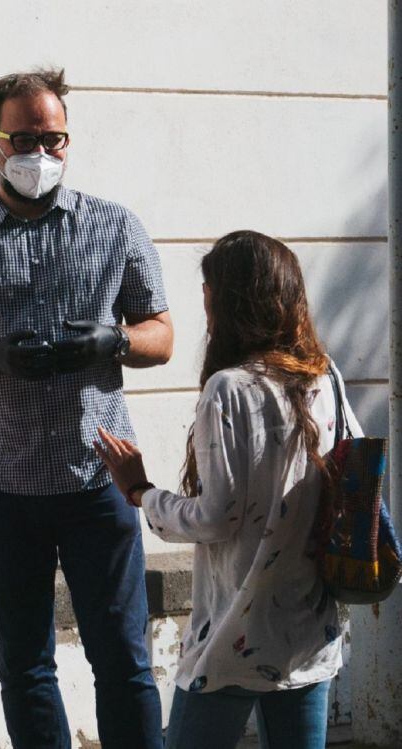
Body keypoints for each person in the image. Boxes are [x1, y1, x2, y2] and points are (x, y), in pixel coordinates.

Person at [0, 67, 172, 748]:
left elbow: (162, 335)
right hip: (0, 484)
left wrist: (117, 340)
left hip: (98, 480)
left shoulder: (115, 227)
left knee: (126, 661)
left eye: (54, 140)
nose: (40, 156)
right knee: (24, 665)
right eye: (23, 140)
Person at [95, 230, 357, 749]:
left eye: (209, 294)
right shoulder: (324, 377)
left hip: (233, 634)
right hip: (307, 630)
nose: (206, 309)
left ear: (233, 302)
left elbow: (216, 517)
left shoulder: (230, 390)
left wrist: (141, 491)